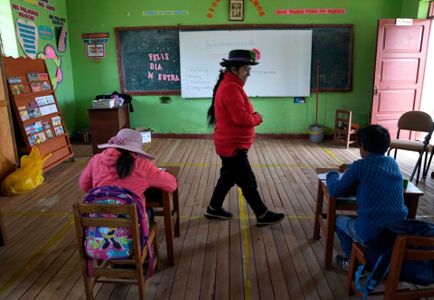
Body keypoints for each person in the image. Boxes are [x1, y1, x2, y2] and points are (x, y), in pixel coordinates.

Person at [204, 49, 285, 226]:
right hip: (233, 147)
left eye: (249, 69)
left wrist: (251, 114)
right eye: (246, 69)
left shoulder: (231, 85)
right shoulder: (231, 88)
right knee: (247, 181)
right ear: (233, 69)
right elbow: (242, 119)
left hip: (229, 144)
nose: (248, 73)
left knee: (228, 177)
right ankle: (262, 214)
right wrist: (258, 117)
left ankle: (213, 208)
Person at [326, 124, 408, 271]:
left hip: (370, 232)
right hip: (396, 232)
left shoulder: (360, 166)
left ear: (363, 146)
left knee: (337, 220)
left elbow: (335, 190)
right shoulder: (392, 163)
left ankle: (352, 262)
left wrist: (331, 174)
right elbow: (373, 167)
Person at [79, 128, 177, 221]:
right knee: (148, 211)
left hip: (98, 226)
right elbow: (171, 185)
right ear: (136, 150)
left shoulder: (96, 159)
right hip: (130, 228)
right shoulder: (143, 165)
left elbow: (84, 186)